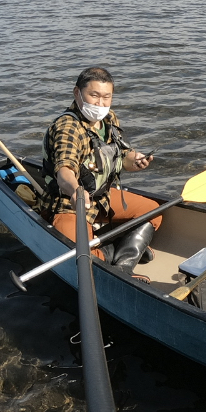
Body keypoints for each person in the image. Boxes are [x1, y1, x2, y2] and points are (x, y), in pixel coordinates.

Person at [38, 66, 161, 275]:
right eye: (94, 95)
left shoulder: (109, 119)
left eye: (106, 97)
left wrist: (136, 160)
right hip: (69, 204)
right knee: (84, 258)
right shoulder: (68, 128)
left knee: (153, 212)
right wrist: (75, 190)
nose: (100, 104)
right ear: (77, 93)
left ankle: (123, 264)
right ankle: (111, 251)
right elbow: (64, 170)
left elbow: (123, 156)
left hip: (100, 197)